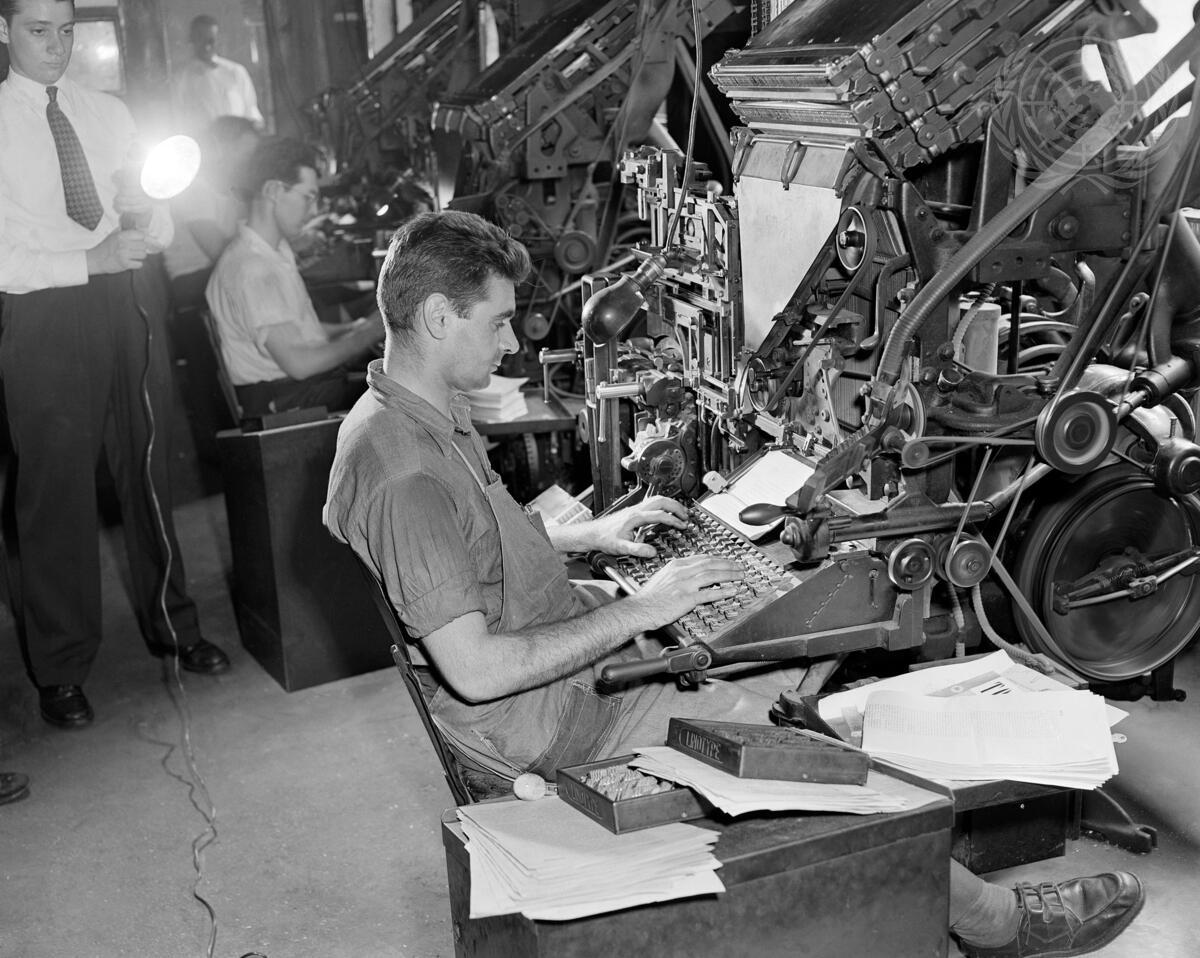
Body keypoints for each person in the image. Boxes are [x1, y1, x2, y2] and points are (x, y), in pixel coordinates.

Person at [324, 210, 1145, 958]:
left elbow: (471, 548)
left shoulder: (410, 412)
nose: (510, 342)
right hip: (550, 721)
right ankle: (993, 922)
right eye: (498, 321)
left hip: (553, 662)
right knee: (807, 738)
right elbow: (474, 668)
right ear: (440, 317)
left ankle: (892, 853)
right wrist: (646, 608)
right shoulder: (405, 474)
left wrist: (588, 536)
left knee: (777, 647)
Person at [0, 0, 230, 730]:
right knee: (54, 493)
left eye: (67, 31)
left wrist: (144, 212)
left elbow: (160, 221)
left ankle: (176, 626)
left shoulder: (109, 113)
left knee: (150, 468)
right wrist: (87, 260)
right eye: (39, 31)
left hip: (127, 301)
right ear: (3, 30)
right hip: (42, 313)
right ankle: (62, 669)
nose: (56, 47)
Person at [206, 136, 384, 418]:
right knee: (405, 393)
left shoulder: (273, 251)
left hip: (298, 389)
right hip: (285, 403)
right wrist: (368, 333)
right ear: (274, 190)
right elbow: (300, 364)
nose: (312, 210)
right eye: (307, 197)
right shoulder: (252, 268)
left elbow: (299, 331)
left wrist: (357, 326)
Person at [163, 114, 260, 311]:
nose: (249, 162)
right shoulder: (195, 189)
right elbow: (220, 252)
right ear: (220, 148)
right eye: (245, 154)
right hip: (192, 280)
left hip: (216, 272)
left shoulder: (229, 190)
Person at [172, 15, 263, 136]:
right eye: (200, 40)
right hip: (203, 144)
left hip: (237, 143)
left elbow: (251, 111)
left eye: (211, 41)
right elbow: (178, 119)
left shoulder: (236, 72)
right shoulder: (181, 78)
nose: (206, 46)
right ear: (191, 39)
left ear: (218, 40)